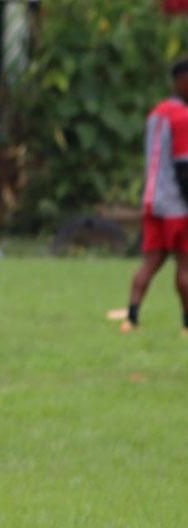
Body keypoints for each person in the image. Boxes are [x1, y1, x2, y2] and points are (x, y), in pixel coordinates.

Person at [121, 59, 188, 335]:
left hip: (152, 201)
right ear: (181, 81)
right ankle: (187, 324)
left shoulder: (156, 114)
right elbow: (184, 166)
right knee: (185, 265)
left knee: (150, 263)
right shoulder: (182, 117)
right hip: (177, 205)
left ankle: (132, 318)